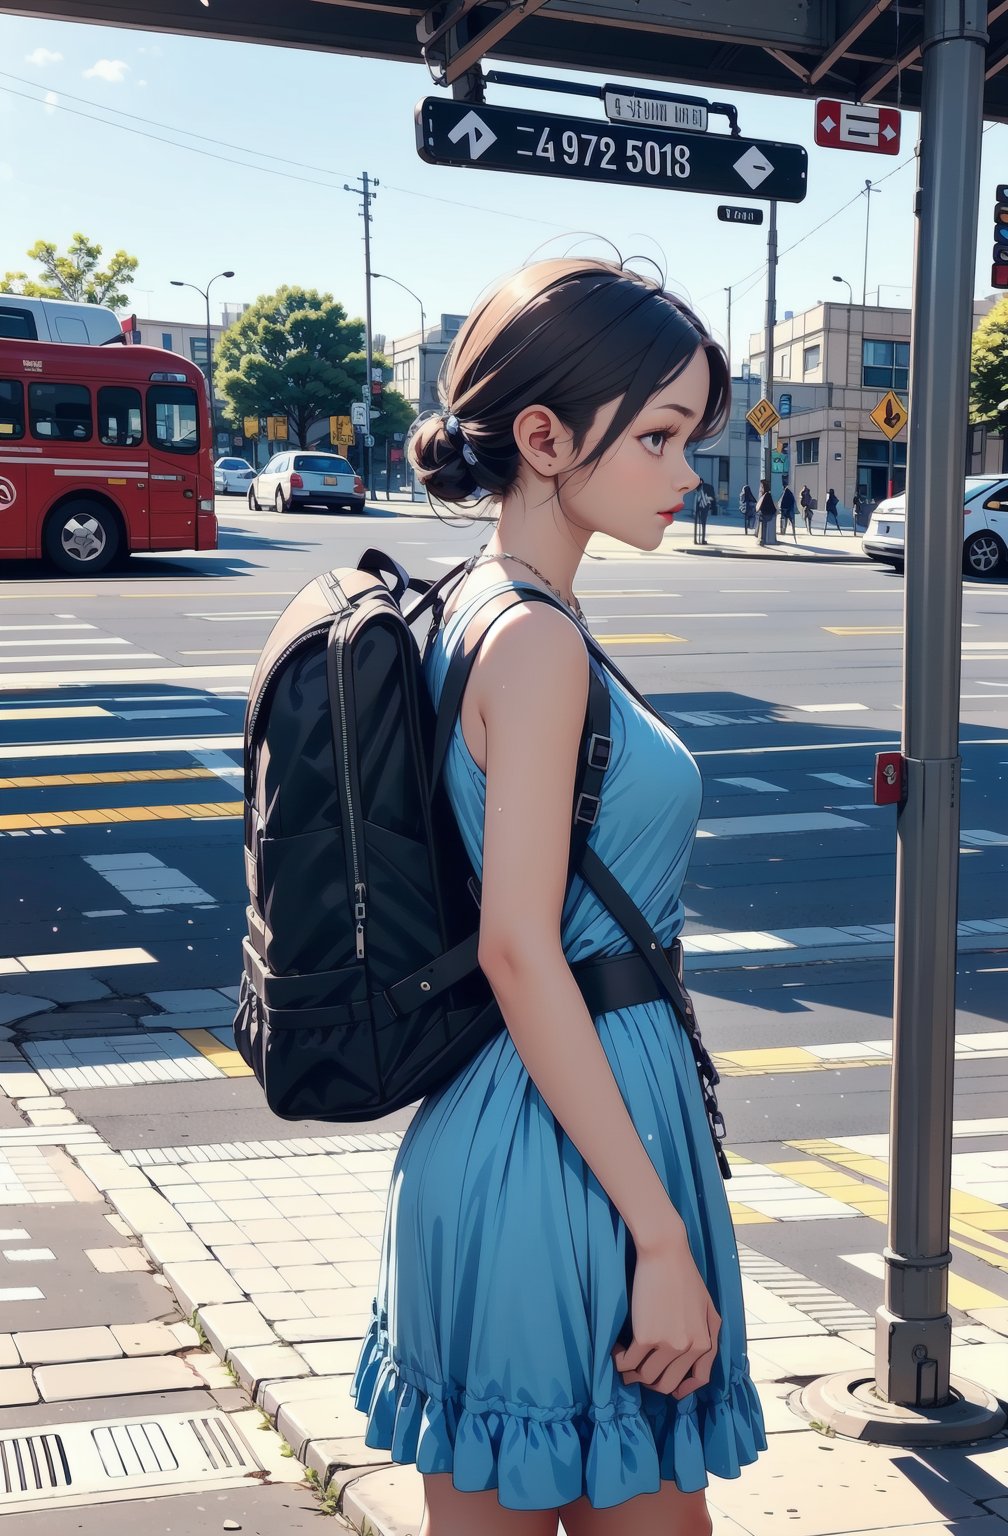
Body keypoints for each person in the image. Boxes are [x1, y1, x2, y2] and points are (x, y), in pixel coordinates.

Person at [350, 258, 767, 1533]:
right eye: (657, 436)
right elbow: (522, 948)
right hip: (572, 1163)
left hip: (513, 1129)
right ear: (542, 436)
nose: (687, 471)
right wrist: (659, 1239)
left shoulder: (475, 607)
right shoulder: (533, 640)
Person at [755, 477, 776, 546]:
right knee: (762, 524)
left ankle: (762, 540)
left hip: (766, 515)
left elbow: (765, 507)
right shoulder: (766, 495)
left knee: (763, 525)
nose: (760, 489)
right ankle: (761, 539)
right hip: (767, 514)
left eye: (761, 487)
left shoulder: (766, 495)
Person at [693, 479, 713, 544]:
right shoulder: (707, 487)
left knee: (696, 524)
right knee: (703, 523)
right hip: (704, 506)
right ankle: (702, 540)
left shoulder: (697, 489)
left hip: (698, 506)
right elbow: (711, 498)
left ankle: (696, 539)